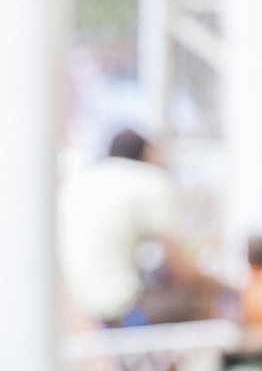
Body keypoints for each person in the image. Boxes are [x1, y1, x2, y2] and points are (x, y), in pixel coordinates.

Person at [58, 127, 225, 326]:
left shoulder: (81, 181)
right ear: (148, 153)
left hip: (74, 312)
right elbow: (180, 269)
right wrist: (219, 283)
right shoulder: (150, 180)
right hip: (118, 311)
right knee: (203, 297)